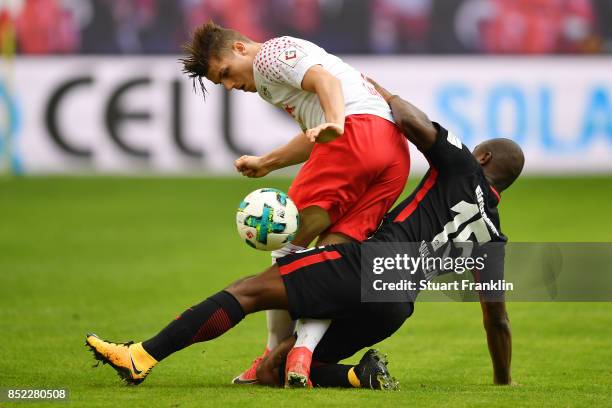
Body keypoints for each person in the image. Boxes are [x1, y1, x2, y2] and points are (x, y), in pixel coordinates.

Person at [86, 80, 524, 388]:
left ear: (483, 155)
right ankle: (357, 376)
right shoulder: (493, 237)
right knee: (276, 370)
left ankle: (140, 357)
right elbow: (497, 320)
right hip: (395, 307)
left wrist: (377, 93)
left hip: (366, 268)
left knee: (249, 291)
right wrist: (502, 383)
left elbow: (411, 121)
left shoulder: (464, 165)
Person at [180, 21, 410, 385]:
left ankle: (271, 355)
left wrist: (336, 122)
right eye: (218, 82)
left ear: (240, 48)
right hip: (393, 155)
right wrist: (268, 162)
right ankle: (300, 353)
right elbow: (315, 133)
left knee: (287, 243)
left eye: (225, 73)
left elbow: (326, 84)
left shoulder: (271, 54)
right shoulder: (273, 82)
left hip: (355, 133)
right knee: (330, 262)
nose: (228, 85)